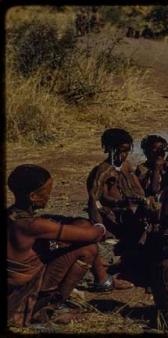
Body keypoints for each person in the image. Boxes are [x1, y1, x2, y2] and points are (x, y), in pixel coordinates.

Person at [7, 165, 106, 326]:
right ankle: (48, 309)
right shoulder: (32, 225)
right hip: (24, 294)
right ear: (33, 196)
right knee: (88, 249)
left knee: (77, 229)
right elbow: (92, 235)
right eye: (46, 192)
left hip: (14, 288)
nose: (49, 196)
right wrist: (100, 226)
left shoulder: (12, 215)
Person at [86, 128, 153, 290]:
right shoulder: (103, 171)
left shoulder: (126, 166)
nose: (123, 155)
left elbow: (136, 188)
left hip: (131, 211)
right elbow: (94, 199)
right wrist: (99, 226)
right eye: (120, 151)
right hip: (115, 216)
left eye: (126, 151)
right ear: (109, 149)